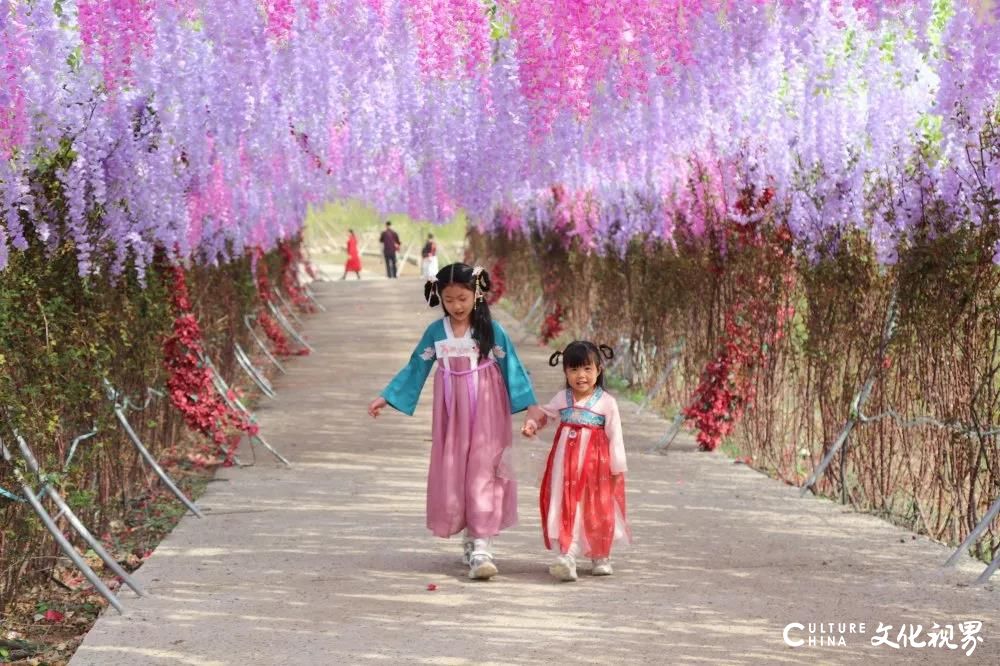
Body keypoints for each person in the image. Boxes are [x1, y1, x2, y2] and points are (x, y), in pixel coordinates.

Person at [368, 263, 543, 579]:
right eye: (449, 300)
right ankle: (469, 531)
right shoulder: (436, 333)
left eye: (462, 298)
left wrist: (530, 406)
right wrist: (389, 396)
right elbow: (415, 367)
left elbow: (512, 367)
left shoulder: (491, 330)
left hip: (488, 410)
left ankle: (482, 546)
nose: (456, 306)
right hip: (451, 413)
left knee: (484, 471)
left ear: (476, 293)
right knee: (454, 472)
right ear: (440, 298)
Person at [521, 341, 631, 582]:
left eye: (587, 369)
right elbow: (547, 414)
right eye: (574, 369)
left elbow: (616, 436)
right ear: (565, 372)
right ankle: (567, 554)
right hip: (565, 464)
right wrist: (532, 424)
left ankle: (600, 554)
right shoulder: (563, 398)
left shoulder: (606, 402)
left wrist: (617, 466)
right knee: (566, 503)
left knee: (596, 505)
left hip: (596, 466)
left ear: (599, 370)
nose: (581, 376)